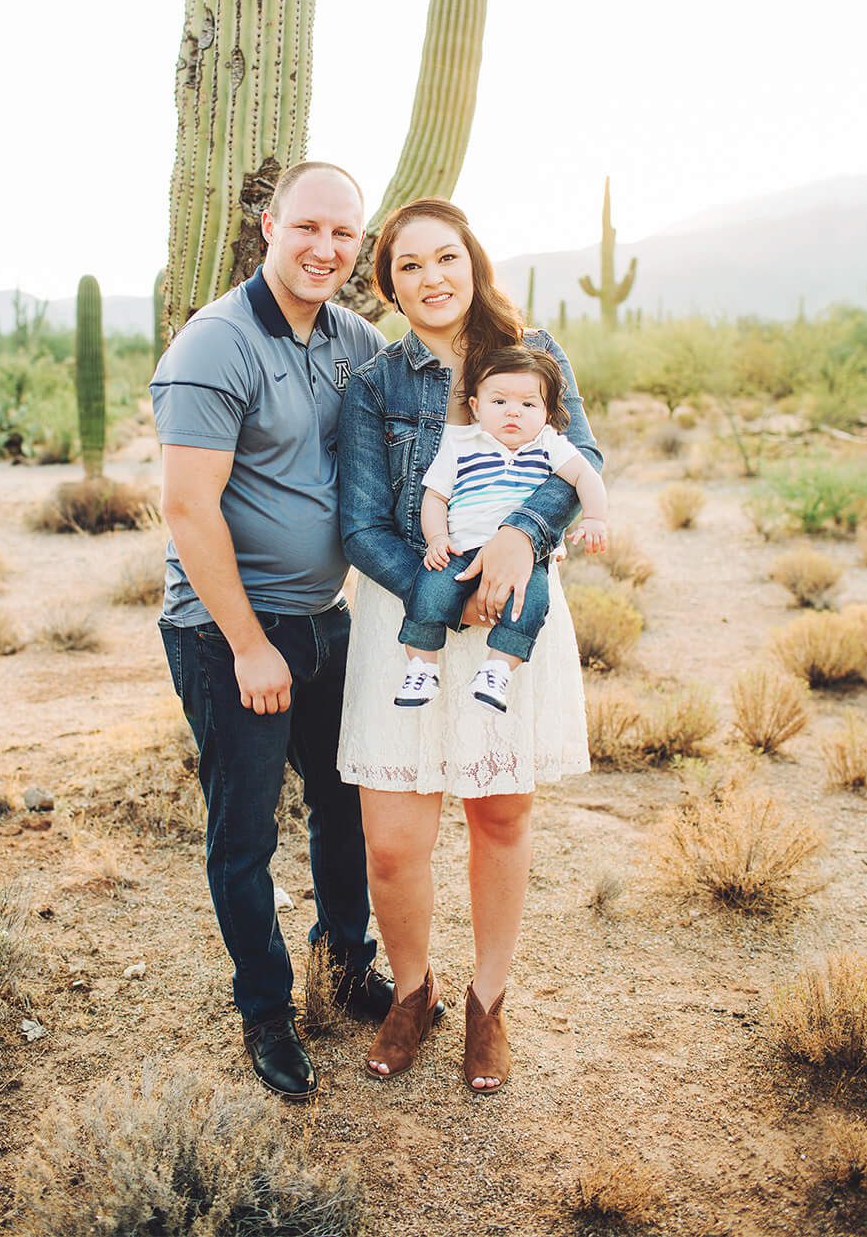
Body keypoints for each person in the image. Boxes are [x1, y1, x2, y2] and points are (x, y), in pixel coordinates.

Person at [151, 161, 423, 1102]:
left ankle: (343, 966)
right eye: (308, 228)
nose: (325, 249)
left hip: (326, 621)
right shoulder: (213, 345)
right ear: (269, 223)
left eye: (344, 236)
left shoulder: (353, 337)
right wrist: (248, 643)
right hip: (232, 630)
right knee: (245, 830)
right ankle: (266, 1009)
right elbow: (189, 510)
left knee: (345, 803)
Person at [336, 197, 602, 1094]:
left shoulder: (535, 351)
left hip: (514, 609)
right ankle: (413, 991)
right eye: (409, 266)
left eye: (445, 257)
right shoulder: (375, 383)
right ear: (389, 285)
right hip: (410, 617)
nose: (432, 278)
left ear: (473, 261)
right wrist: (439, 595)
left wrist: (522, 535)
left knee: (499, 813)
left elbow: (582, 461)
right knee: (394, 840)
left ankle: (489, 1003)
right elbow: (362, 522)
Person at [393, 346, 611, 713]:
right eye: (499, 402)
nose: (513, 411)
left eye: (529, 405)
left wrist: (595, 519)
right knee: (427, 593)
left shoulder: (548, 446)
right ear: (476, 407)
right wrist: (437, 539)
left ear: (546, 414)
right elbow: (434, 497)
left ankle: (498, 669)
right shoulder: (461, 445)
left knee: (531, 603)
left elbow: (585, 476)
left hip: (524, 560)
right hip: (460, 550)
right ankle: (422, 666)